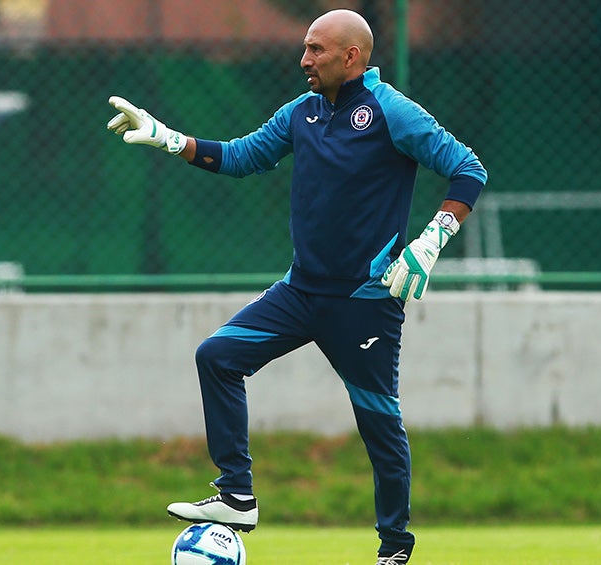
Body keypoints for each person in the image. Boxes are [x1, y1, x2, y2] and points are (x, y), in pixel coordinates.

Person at [106, 8, 485, 565]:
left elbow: (468, 169)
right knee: (216, 356)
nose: (303, 59)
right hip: (300, 292)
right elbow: (240, 157)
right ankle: (236, 496)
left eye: (316, 50)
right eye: (305, 48)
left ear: (351, 56)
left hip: (365, 302)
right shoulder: (300, 114)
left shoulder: (392, 112)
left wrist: (430, 241)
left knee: (379, 425)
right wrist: (167, 138)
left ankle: (394, 547)